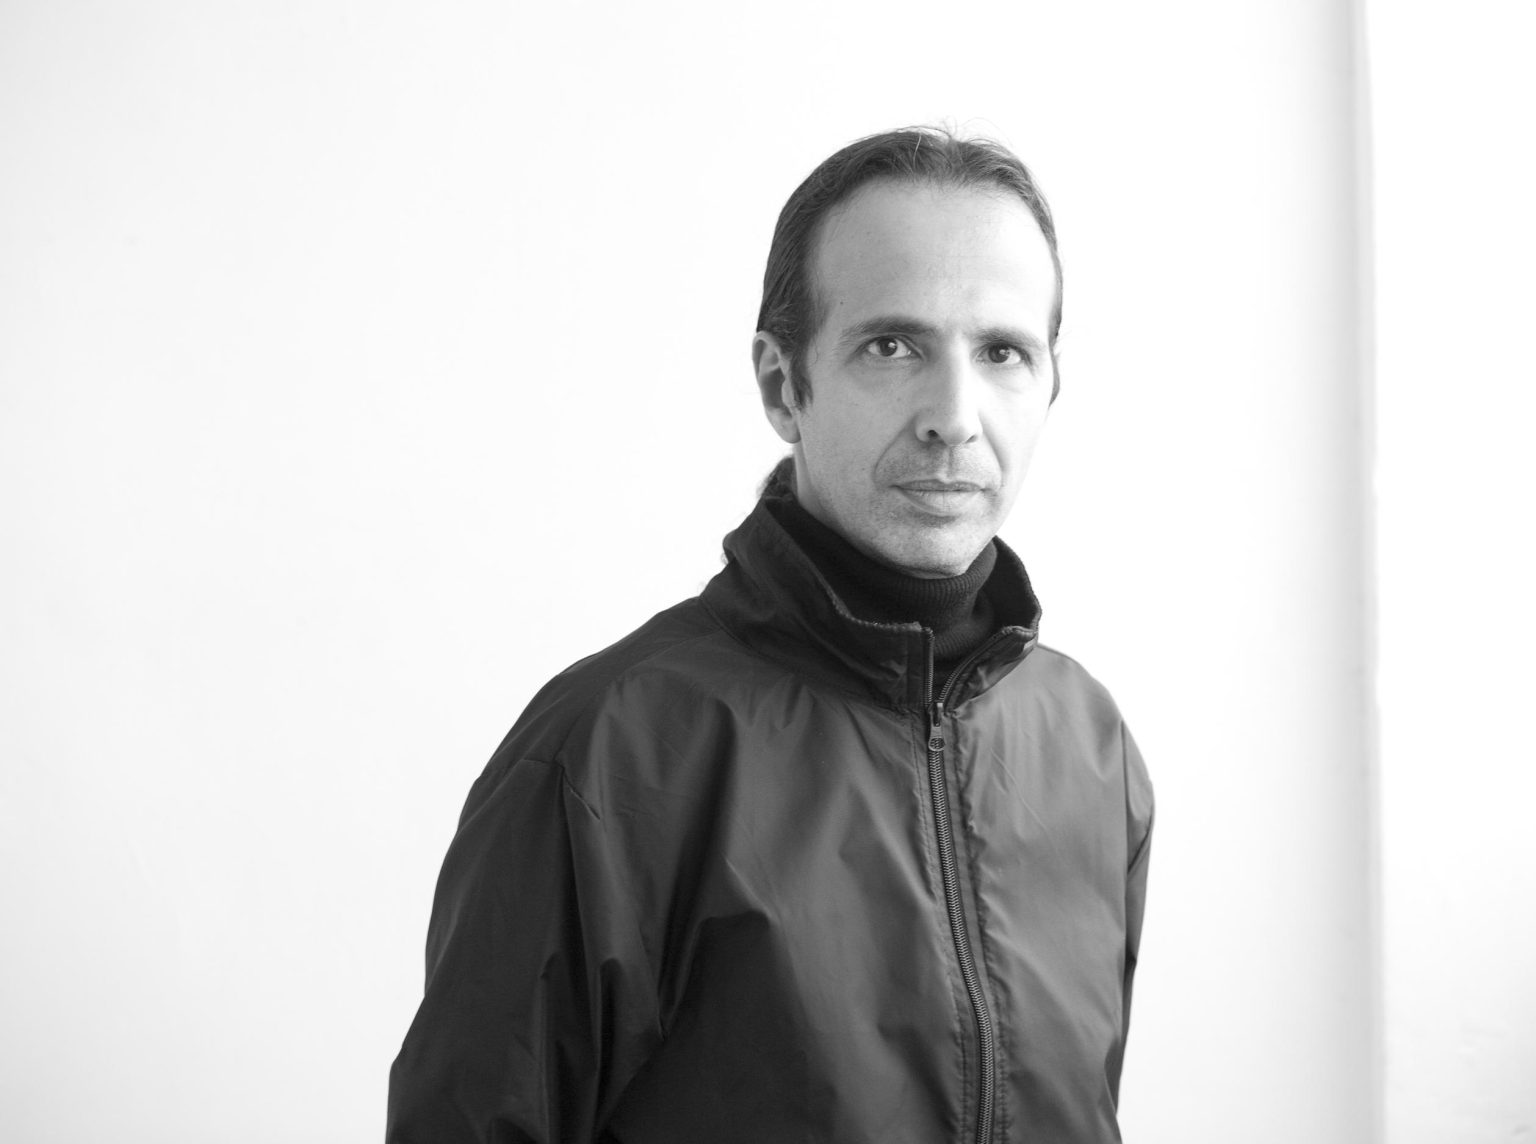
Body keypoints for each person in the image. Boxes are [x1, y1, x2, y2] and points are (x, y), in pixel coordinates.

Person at [387, 126, 1153, 1144]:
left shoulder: (1089, 745)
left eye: (1002, 353)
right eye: (893, 346)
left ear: (1050, 383)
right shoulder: (609, 755)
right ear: (782, 385)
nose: (954, 416)